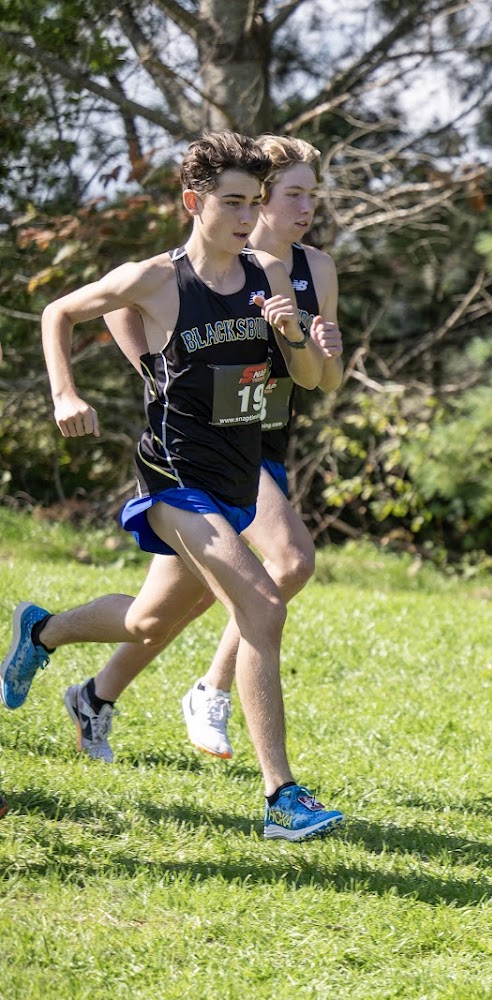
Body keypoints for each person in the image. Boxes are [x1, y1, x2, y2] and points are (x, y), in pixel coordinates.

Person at [0, 131, 344, 842]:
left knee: (148, 623)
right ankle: (282, 797)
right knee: (262, 605)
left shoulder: (268, 272)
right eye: (233, 203)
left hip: (237, 479)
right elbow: (58, 311)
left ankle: (41, 631)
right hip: (174, 479)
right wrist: (65, 393)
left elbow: (309, 379)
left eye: (254, 202)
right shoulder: (155, 279)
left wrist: (293, 337)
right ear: (194, 202)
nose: (247, 217)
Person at [76, 134, 343, 764]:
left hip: (263, 440)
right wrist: (155, 372)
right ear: (259, 198)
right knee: (288, 564)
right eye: (293, 194)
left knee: (161, 612)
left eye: (313, 194)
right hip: (203, 448)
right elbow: (117, 305)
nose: (306, 207)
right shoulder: (208, 260)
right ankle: (214, 693)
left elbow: (323, 379)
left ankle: (88, 685)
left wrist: (319, 348)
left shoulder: (312, 269)